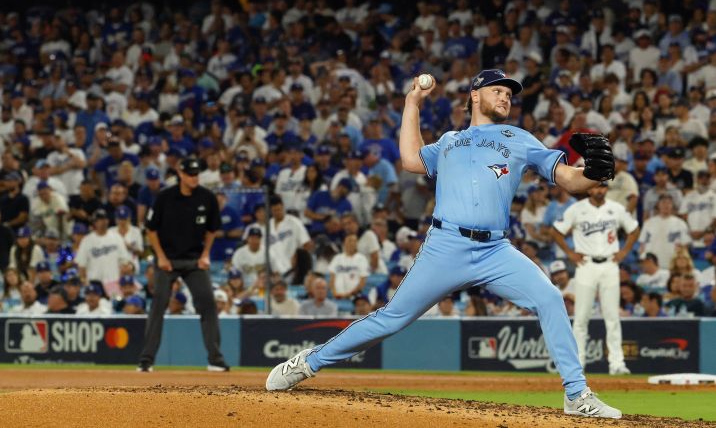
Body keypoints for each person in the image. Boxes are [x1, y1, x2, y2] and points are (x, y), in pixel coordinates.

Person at [266, 70, 623, 419]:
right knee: (391, 319)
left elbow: (570, 180)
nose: (505, 97)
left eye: (509, 94)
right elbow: (411, 160)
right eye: (498, 90)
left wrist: (592, 174)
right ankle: (309, 362)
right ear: (475, 95)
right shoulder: (450, 140)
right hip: (446, 245)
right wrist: (413, 103)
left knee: (549, 298)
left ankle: (576, 394)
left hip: (495, 250)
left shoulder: (519, 138)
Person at [137, 158, 229, 373]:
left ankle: (215, 360)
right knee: (158, 304)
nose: (194, 178)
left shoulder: (207, 197)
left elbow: (212, 229)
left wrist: (205, 254)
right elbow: (151, 229)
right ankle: (146, 361)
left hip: (194, 261)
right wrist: (160, 257)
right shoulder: (164, 197)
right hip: (167, 260)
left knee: (208, 303)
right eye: (190, 174)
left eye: (196, 174)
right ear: (180, 173)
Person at [551, 182, 639, 375]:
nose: (600, 190)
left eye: (603, 187)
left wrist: (624, 251)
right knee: (581, 318)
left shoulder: (616, 208)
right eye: (596, 187)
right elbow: (556, 231)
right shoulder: (576, 209)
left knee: (612, 316)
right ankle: (578, 364)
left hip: (610, 264)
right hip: (586, 264)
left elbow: (634, 229)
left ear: (606, 189)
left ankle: (617, 364)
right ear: (589, 189)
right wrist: (570, 253)